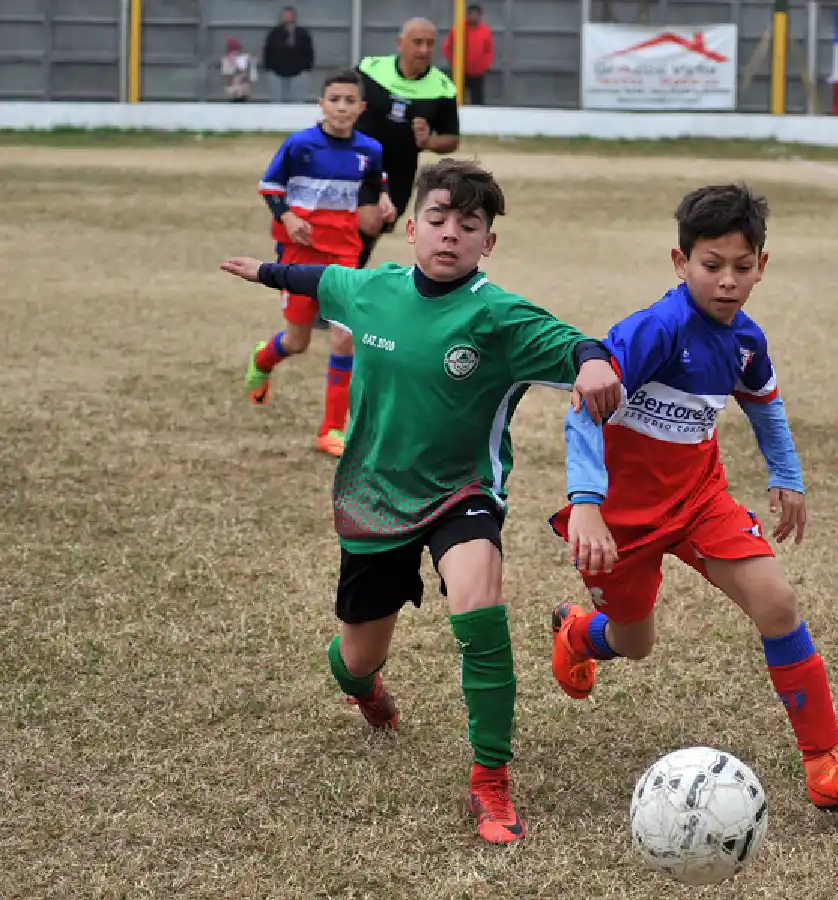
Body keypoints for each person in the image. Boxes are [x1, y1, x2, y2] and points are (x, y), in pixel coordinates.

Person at [220, 158, 623, 844]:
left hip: (462, 491)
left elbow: (578, 345)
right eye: (437, 219)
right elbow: (320, 280)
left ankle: (490, 777)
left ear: (488, 241)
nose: (450, 234)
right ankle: (365, 689)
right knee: (356, 660)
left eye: (469, 224)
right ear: (411, 228)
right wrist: (264, 271)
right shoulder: (372, 289)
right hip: (372, 496)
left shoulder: (499, 316)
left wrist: (590, 361)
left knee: (479, 603)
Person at [547, 183, 838, 818]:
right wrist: (588, 504)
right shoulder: (655, 330)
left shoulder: (746, 341)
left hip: (698, 501)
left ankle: (824, 765)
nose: (727, 281)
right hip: (621, 519)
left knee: (777, 602)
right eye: (711, 265)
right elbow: (583, 408)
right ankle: (580, 632)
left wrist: (786, 474)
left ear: (762, 266)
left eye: (742, 266)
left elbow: (765, 405)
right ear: (680, 262)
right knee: (634, 642)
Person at [247, 70, 395, 458]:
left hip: (344, 251)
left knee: (345, 337)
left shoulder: (370, 149)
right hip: (300, 250)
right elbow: (270, 187)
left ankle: (331, 429)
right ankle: (263, 357)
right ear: (322, 104)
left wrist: (383, 200)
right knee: (297, 342)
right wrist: (288, 217)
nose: (342, 107)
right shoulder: (300, 145)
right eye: (335, 100)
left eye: (350, 101)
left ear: (361, 108)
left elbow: (375, 182)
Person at [354, 17, 460, 268]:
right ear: (400, 43)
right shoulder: (370, 69)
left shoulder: (442, 88)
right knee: (364, 225)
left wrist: (429, 141)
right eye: (417, 42)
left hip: (399, 175)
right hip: (357, 164)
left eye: (430, 44)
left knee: (372, 230)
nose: (424, 49)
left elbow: (452, 139)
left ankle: (343, 277)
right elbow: (342, 96)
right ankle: (339, 280)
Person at [441, 4, 495, 106]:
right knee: (456, 98)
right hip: (460, 72)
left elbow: (488, 49)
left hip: (478, 72)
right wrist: (454, 62)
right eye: (471, 14)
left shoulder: (485, 30)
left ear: (480, 16)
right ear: (467, 15)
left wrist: (486, 65)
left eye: (476, 14)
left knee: (477, 100)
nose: (473, 17)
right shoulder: (458, 29)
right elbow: (447, 47)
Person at [262, 6, 314, 103]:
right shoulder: (274, 33)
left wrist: (306, 68)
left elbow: (309, 51)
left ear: (294, 17)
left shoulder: (302, 33)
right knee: (276, 101)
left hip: (298, 73)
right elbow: (267, 50)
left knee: (298, 101)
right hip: (277, 73)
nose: (287, 18)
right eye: (284, 16)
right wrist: (269, 68)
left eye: (289, 16)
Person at [220, 38, 257, 102]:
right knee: (236, 88)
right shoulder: (226, 60)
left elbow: (247, 75)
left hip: (242, 86)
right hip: (233, 87)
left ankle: (242, 95)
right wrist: (233, 64)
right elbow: (228, 75)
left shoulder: (242, 58)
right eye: (233, 52)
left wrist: (251, 60)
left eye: (236, 51)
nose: (235, 54)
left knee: (243, 86)